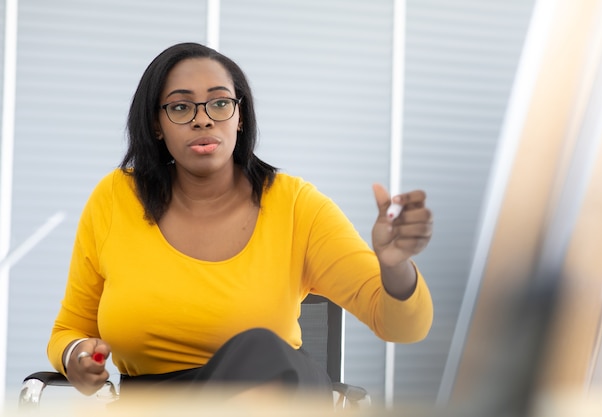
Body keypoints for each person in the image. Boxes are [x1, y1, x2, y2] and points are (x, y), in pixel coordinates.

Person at [47, 42, 434, 405]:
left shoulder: (296, 205)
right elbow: (69, 329)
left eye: (219, 103)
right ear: (156, 126)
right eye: (181, 108)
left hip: (273, 392)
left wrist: (394, 263)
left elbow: (402, 328)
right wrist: (77, 356)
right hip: (157, 405)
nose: (203, 121)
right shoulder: (115, 198)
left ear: (240, 116)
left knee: (261, 350)